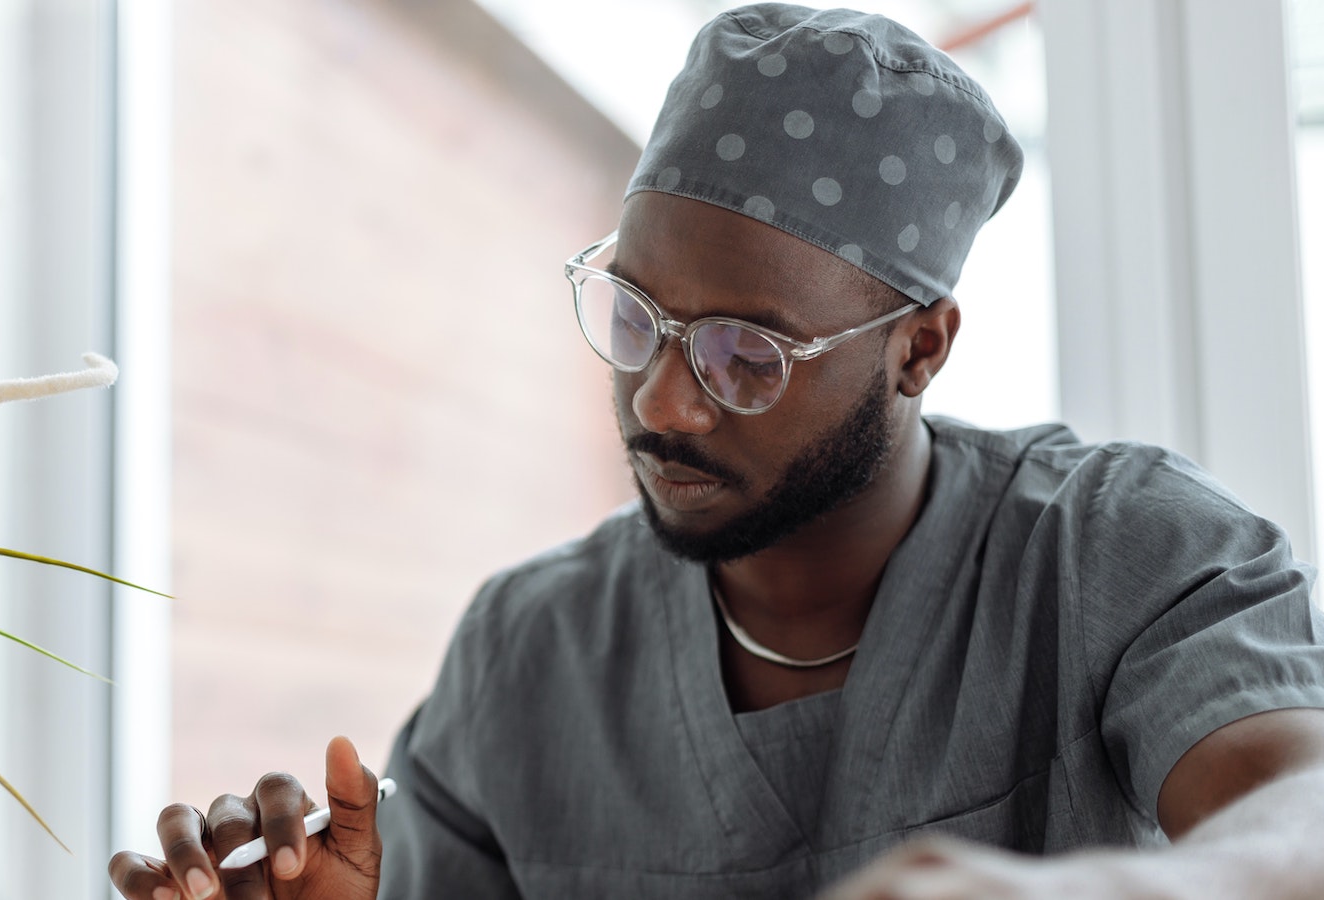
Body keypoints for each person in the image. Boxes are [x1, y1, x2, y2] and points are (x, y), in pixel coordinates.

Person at [111, 5, 1324, 898]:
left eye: (750, 356)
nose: (668, 404)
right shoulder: (528, 661)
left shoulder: (1116, 553)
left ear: (919, 350)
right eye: (636, 319)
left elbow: (1300, 806)